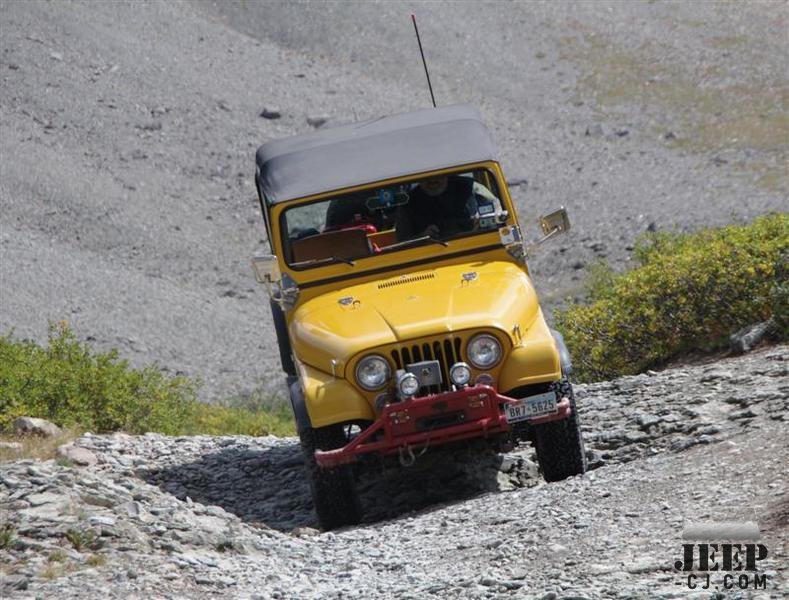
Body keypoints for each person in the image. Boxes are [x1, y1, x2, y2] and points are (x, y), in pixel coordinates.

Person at [407, 174, 500, 238]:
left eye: (437, 176)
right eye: (426, 178)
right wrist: (423, 237)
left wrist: (483, 220)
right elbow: (403, 242)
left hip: (477, 244)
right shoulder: (409, 202)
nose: (432, 181)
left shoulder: (470, 188)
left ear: (446, 174)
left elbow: (498, 211)